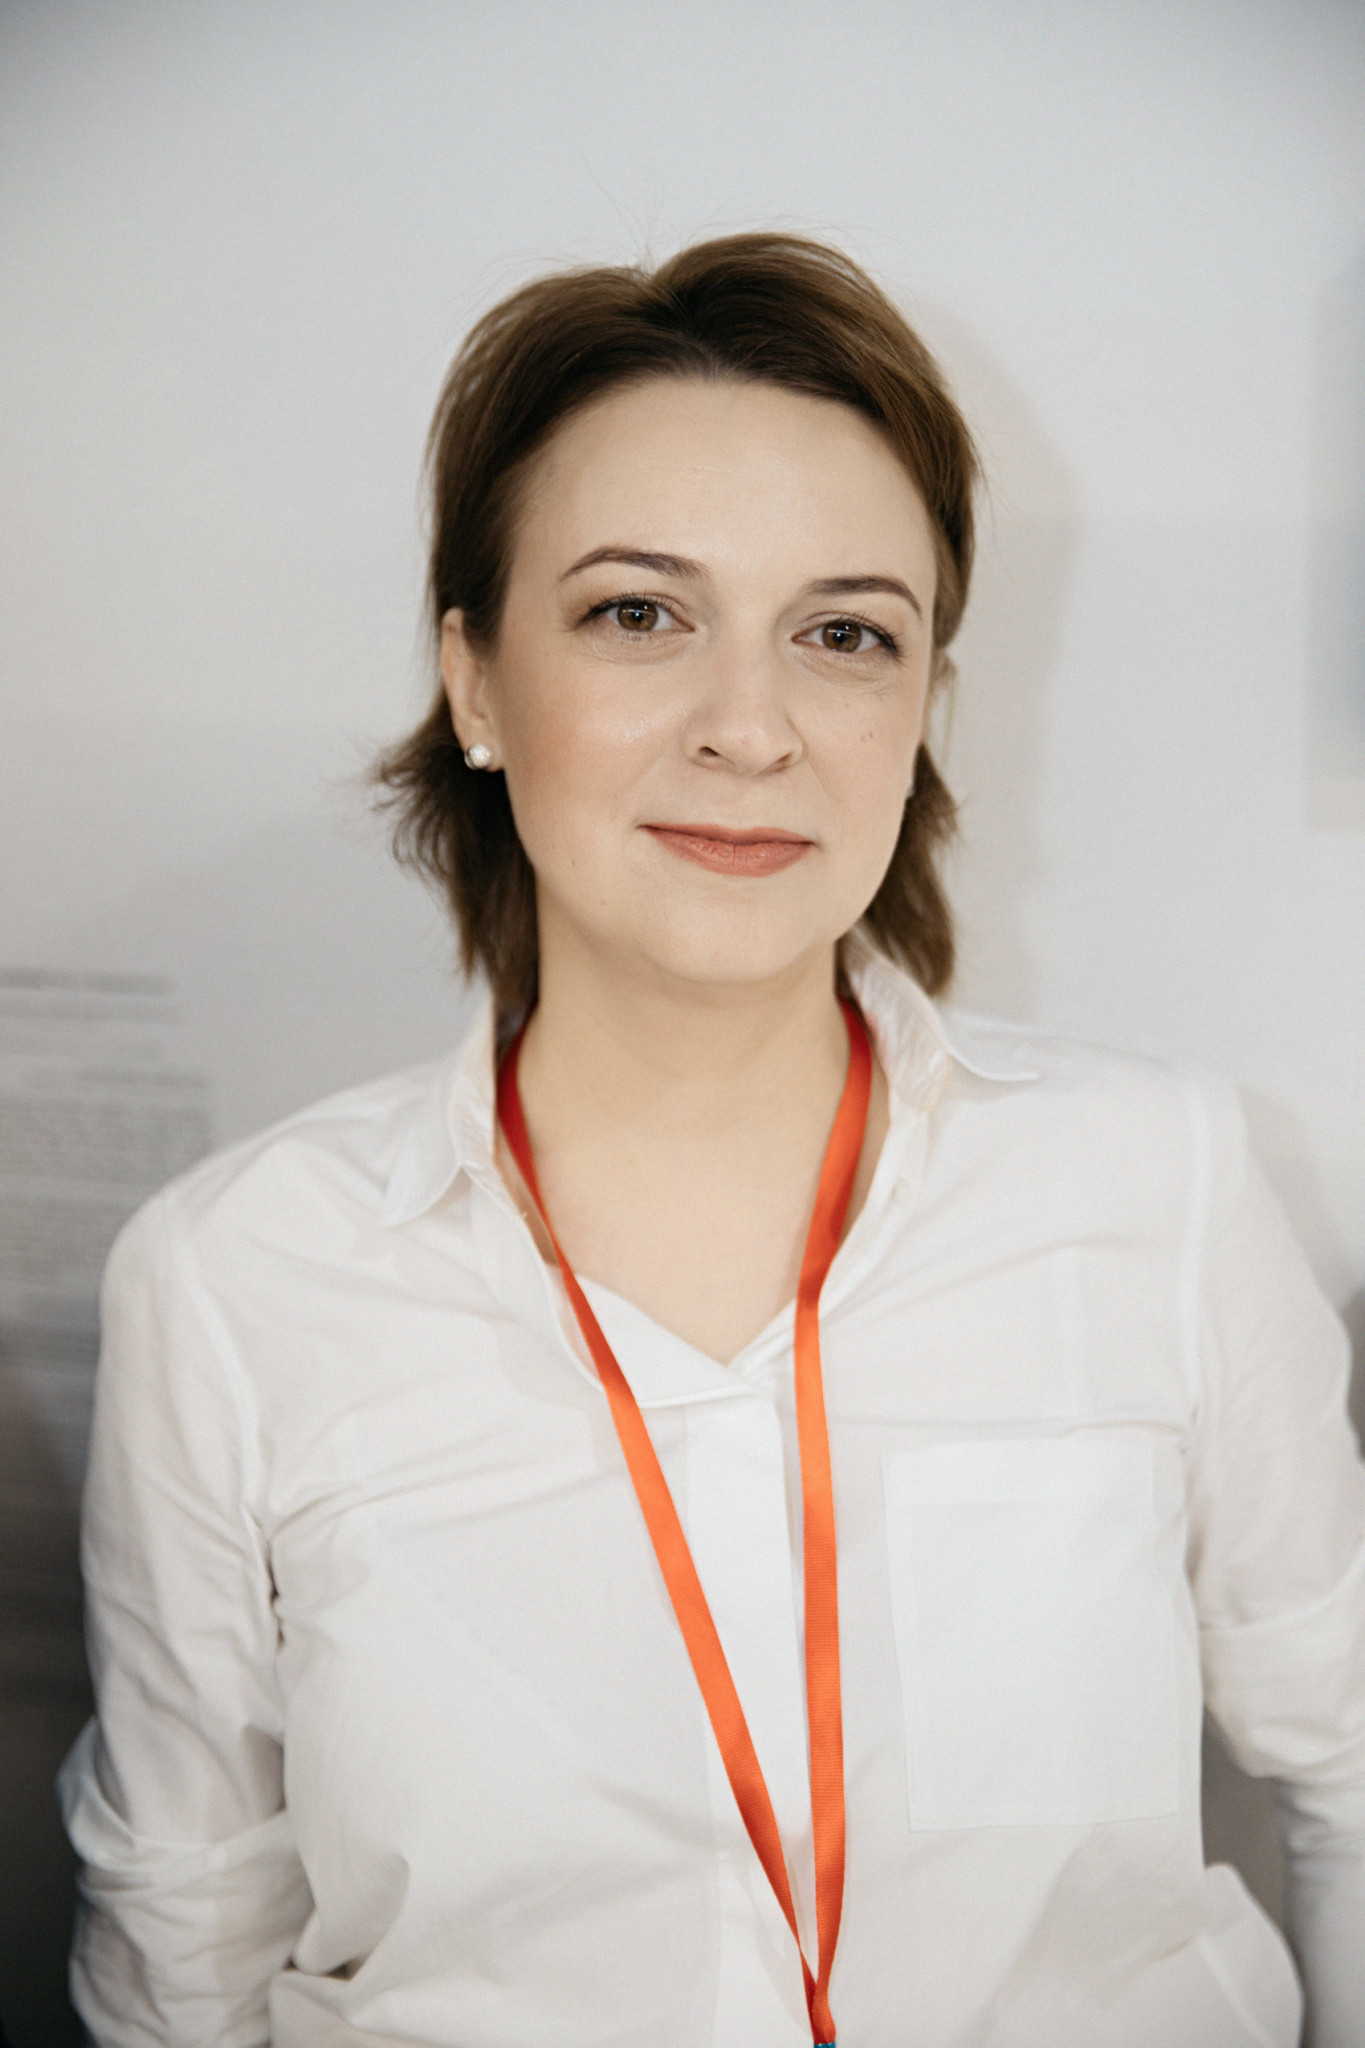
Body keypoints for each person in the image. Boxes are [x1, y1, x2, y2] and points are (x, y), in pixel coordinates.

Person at [59, 233, 1364, 2048]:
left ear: (922, 712)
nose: (750, 730)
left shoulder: (1166, 1184)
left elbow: (1351, 1768)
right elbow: (184, 1948)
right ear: (475, 680)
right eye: (637, 615)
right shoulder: (234, 1285)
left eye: (844, 636)